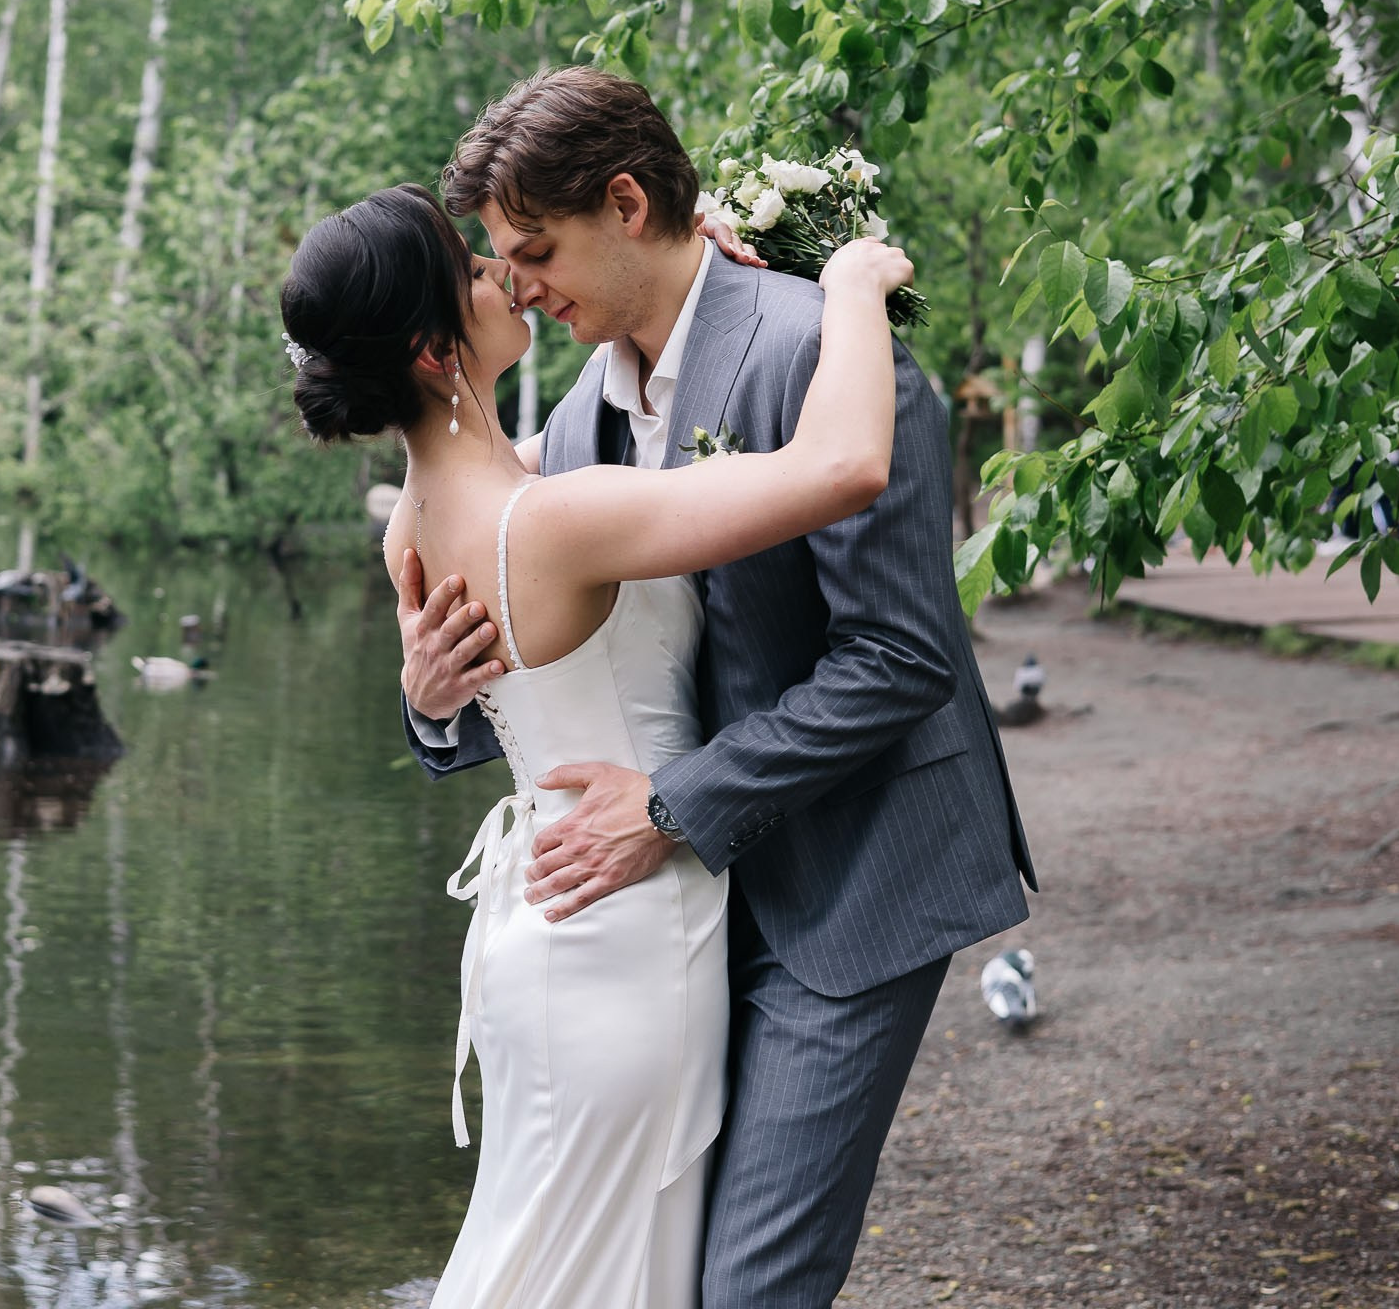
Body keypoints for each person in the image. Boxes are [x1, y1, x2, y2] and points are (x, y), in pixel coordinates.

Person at [396, 68, 1036, 1308]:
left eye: (535, 248)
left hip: (855, 880)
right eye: (500, 261)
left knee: (749, 1290)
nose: (518, 282)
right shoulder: (586, 414)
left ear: (626, 202)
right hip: (689, 920)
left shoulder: (825, 351)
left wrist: (668, 807)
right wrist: (434, 699)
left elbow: (902, 659)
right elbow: (553, 670)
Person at [281, 177, 918, 1306]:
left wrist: (696, 278)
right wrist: (856, 279)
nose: (508, 276)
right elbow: (844, 468)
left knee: (544, 1259)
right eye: (476, 270)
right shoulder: (561, 519)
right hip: (628, 933)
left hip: (538, 929)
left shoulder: (417, 525)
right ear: (435, 349)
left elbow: (565, 465)